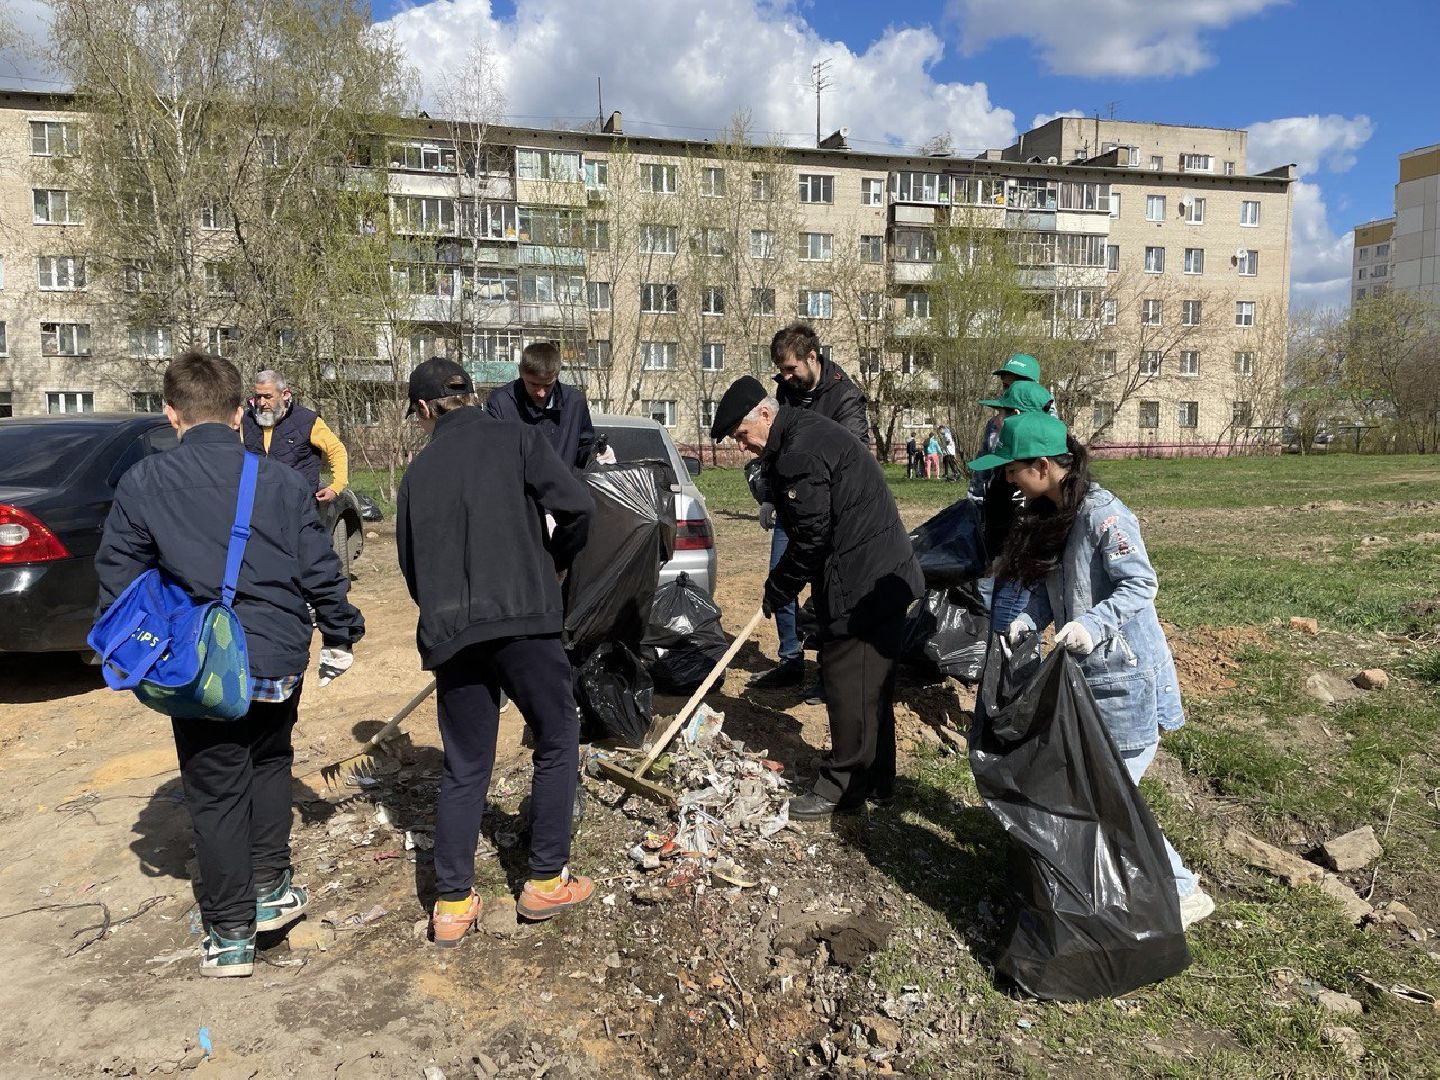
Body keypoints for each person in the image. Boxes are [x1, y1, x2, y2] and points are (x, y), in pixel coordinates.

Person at [96, 351, 364, 977]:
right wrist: (342, 631)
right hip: (275, 656)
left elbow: (118, 581)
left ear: (171, 413)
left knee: (215, 790)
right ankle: (270, 889)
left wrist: (128, 651)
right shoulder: (281, 481)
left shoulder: (143, 483)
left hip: (195, 664)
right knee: (271, 764)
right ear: (242, 410)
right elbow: (321, 569)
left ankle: (230, 933)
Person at [969, 411, 1216, 929]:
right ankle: (1124, 884)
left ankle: (1182, 889)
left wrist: (1092, 624)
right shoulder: (1052, 513)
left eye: (1013, 470)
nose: (1009, 480)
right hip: (1089, 684)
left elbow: (1140, 585)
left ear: (1043, 465)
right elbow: (1047, 587)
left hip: (1126, 685)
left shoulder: (1104, 516)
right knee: (1097, 794)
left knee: (1107, 798)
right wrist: (1028, 622)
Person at [397, 358, 596, 946]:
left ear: (425, 408)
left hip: (454, 634)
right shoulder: (519, 439)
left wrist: (445, 607)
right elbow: (578, 508)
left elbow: (413, 570)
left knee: (465, 763)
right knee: (557, 737)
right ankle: (544, 881)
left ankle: (453, 904)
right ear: (468, 396)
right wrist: (555, 562)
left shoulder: (417, 474)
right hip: (525, 621)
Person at [712, 376, 923, 820]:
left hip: (863, 581)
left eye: (743, 436)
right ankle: (879, 781)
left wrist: (778, 587)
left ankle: (840, 789)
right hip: (883, 573)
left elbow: (810, 538)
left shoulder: (799, 452)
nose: (743, 448)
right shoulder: (801, 431)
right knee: (873, 686)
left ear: (765, 415)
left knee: (847, 681)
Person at [748, 322, 868, 696]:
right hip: (790, 504)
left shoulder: (845, 397)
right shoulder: (785, 392)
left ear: (812, 357)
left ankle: (826, 671)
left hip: (831, 511)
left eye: (790, 369)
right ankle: (790, 660)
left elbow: (854, 455)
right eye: (781, 370)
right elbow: (772, 446)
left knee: (829, 590)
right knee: (780, 578)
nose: (784, 377)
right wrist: (768, 494)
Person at [976, 380, 1055, 630]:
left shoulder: (1030, 468)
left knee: (1008, 638)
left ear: (1016, 416)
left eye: (1001, 412)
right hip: (1005, 562)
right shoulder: (1015, 460)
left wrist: (1007, 558)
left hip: (1016, 569)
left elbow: (1025, 519)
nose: (996, 419)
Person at [242, 369, 350, 506]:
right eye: (258, 397)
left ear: (285, 394)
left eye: (268, 397)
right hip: (256, 506)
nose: (261, 403)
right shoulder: (246, 420)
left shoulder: (307, 420)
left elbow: (336, 450)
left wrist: (335, 488)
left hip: (298, 508)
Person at [485, 341, 596, 470]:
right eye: (534, 384)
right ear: (521, 373)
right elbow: (491, 455)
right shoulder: (500, 403)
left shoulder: (575, 402)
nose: (541, 393)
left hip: (561, 488)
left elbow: (583, 448)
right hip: (516, 488)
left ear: (557, 375)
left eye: (548, 385)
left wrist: (596, 454)